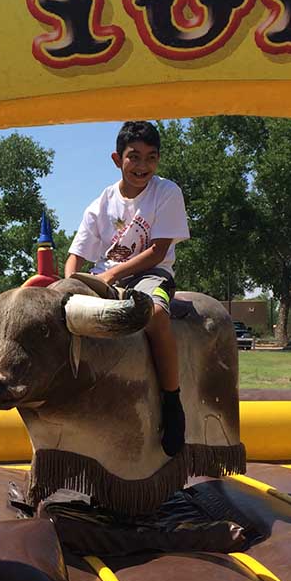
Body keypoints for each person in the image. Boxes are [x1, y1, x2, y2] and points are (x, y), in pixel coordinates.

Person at [65, 120, 190, 457]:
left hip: (150, 275)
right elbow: (76, 255)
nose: (142, 166)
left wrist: (110, 277)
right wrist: (68, 286)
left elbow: (158, 251)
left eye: (151, 158)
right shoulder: (101, 203)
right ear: (117, 159)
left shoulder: (167, 192)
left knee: (157, 313)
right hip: (103, 277)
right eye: (134, 157)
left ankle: (171, 400)